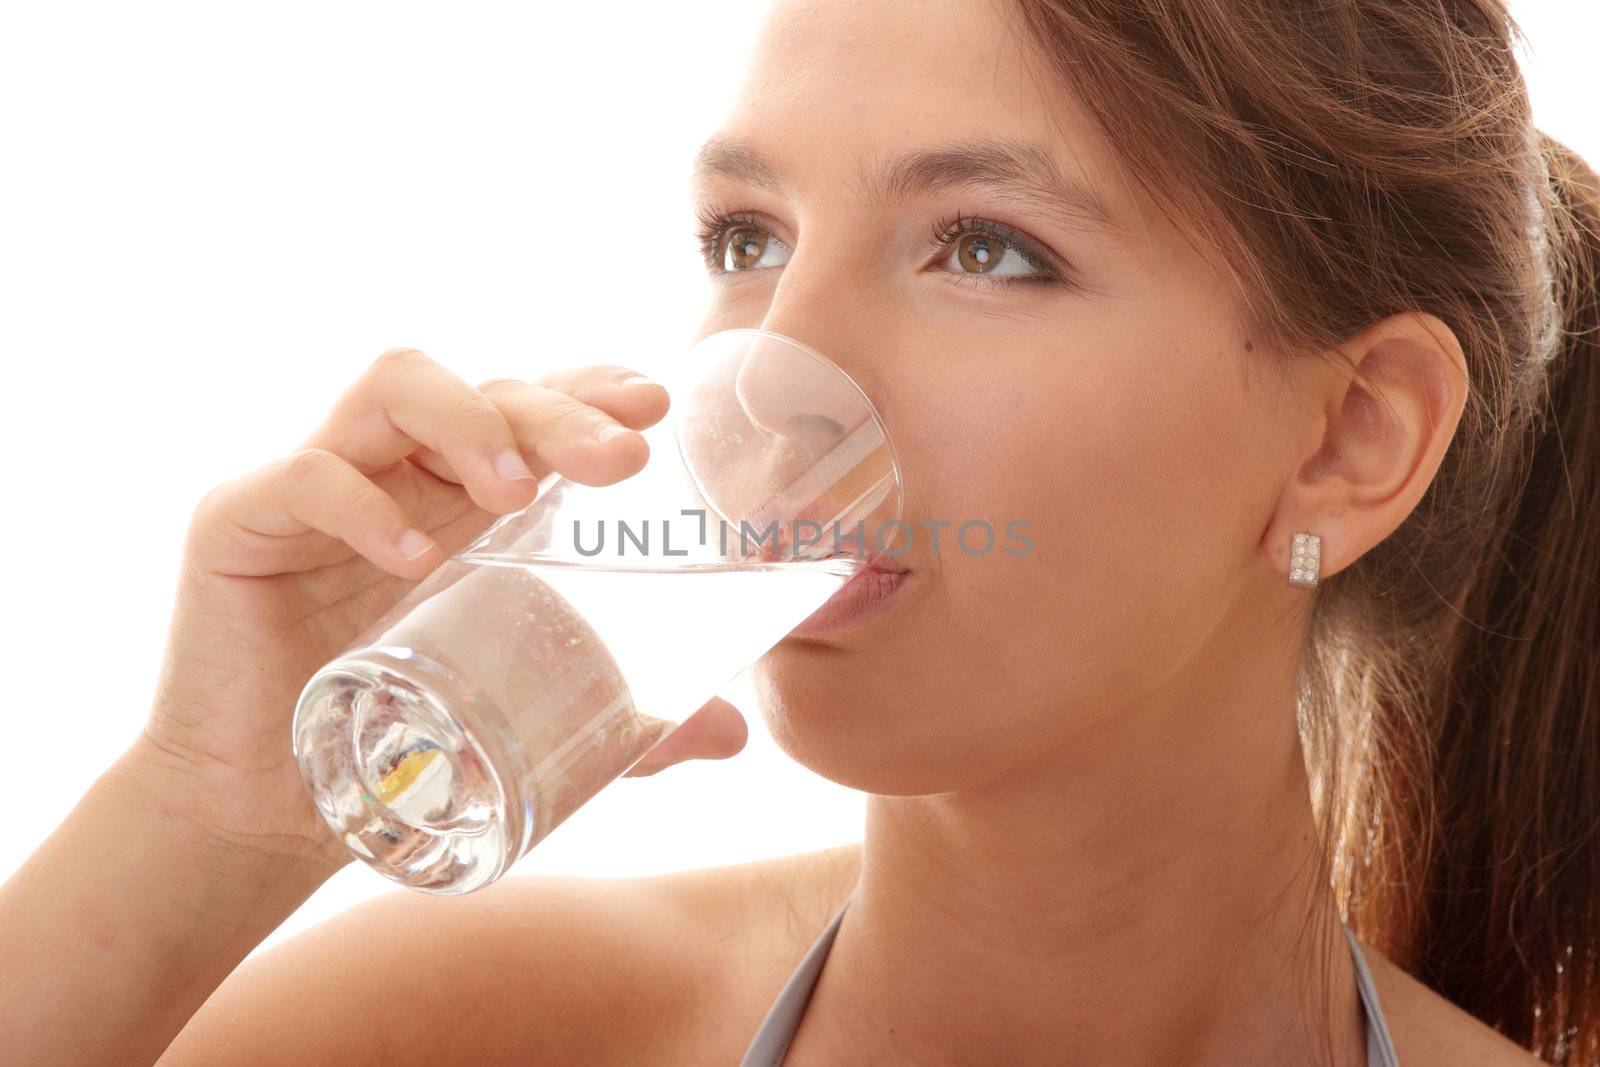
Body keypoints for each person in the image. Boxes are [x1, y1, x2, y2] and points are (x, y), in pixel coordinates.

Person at [2, 0, 1594, 1063]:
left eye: (986, 249)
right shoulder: (474, 1032)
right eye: (748, 237)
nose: (771, 384)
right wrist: (202, 829)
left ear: (1351, 436)